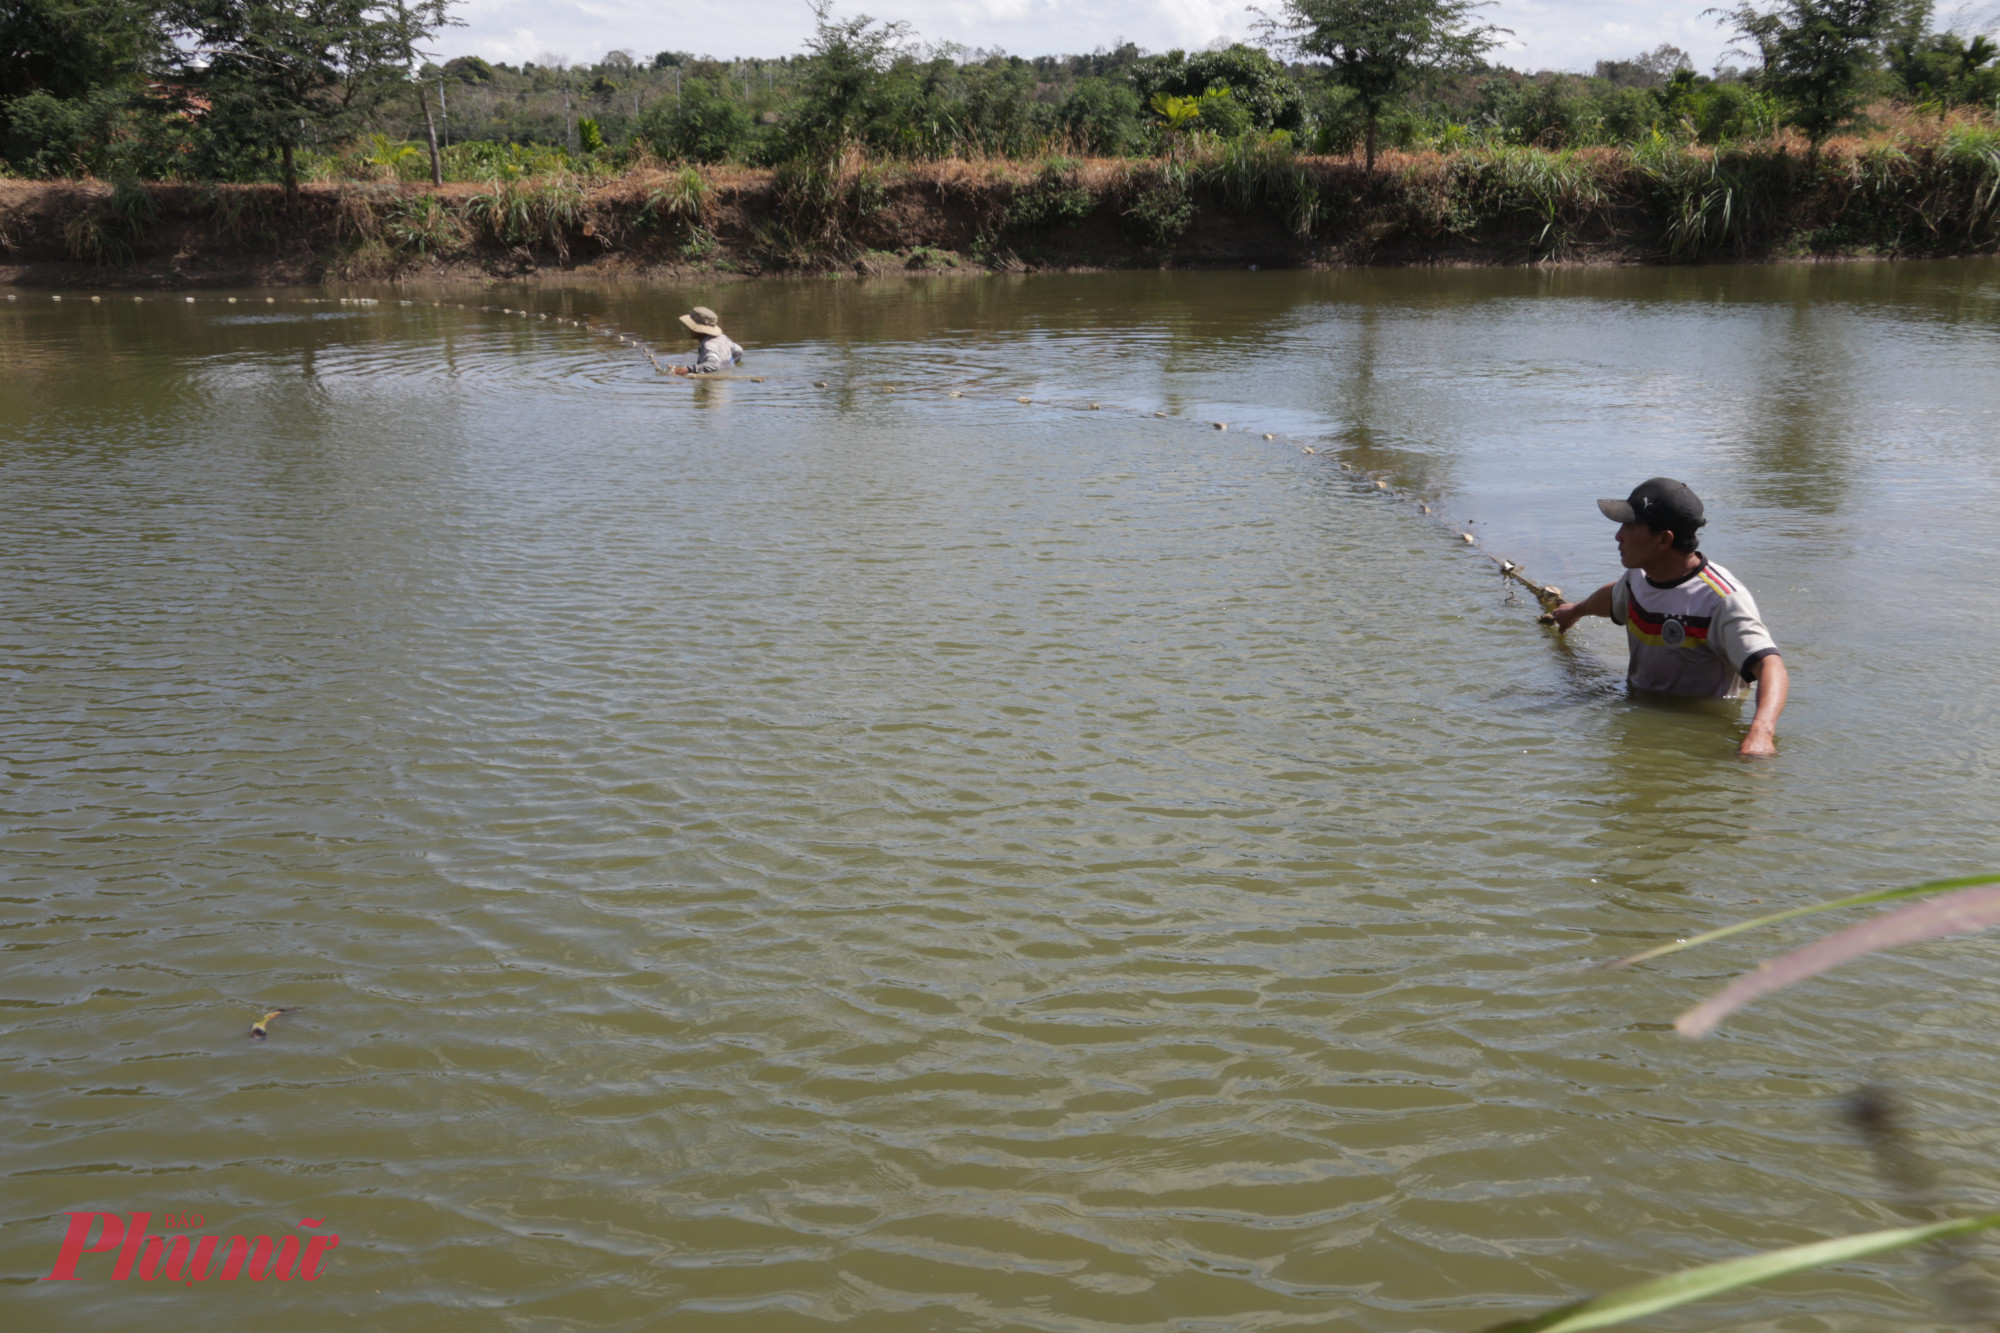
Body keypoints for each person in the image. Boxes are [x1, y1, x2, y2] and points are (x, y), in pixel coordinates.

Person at [1547, 477, 1789, 758]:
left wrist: (1761, 732)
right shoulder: (1639, 575)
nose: (1618, 536)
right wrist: (1574, 611)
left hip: (1696, 728)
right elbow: (1615, 597)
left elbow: (1771, 666)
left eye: (1631, 526)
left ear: (1664, 539)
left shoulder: (1721, 600)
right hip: (1639, 708)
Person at [672, 306, 743, 375]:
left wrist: (689, 370)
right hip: (725, 383)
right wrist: (729, 364)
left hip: (712, 383)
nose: (689, 329)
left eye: (691, 326)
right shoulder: (723, 337)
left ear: (699, 329)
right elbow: (739, 351)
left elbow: (714, 364)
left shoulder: (708, 345)